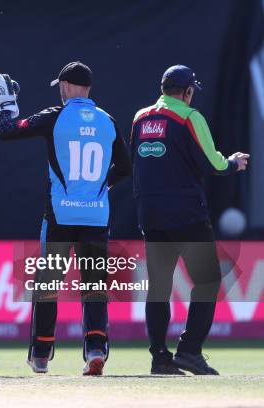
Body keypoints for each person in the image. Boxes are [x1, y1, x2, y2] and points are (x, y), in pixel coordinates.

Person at [0, 62, 131, 375]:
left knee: (48, 283)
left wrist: (4, 108)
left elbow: (7, 131)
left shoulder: (55, 116)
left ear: (64, 86)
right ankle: (95, 348)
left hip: (61, 215)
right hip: (96, 216)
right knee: (94, 284)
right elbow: (126, 167)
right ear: (88, 88)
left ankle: (40, 353)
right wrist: (101, 186)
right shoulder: (108, 121)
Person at [130, 65, 249, 375]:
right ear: (187, 92)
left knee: (158, 287)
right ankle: (190, 351)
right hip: (186, 215)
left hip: (151, 215)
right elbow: (215, 164)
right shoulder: (189, 117)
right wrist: (233, 163)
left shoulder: (140, 118)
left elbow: (136, 162)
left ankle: (159, 358)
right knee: (208, 281)